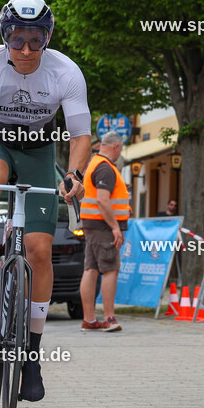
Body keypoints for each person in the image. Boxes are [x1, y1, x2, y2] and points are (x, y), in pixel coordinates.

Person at [0, 0, 91, 403]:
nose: (28, 50)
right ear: (5, 37)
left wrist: (76, 174)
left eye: (37, 40)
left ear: (47, 36)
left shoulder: (65, 71)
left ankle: (31, 356)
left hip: (39, 151)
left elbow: (80, 134)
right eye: (18, 40)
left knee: (39, 250)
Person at [79, 132, 130, 332]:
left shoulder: (93, 163)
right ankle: (109, 318)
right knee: (110, 269)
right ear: (116, 146)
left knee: (90, 269)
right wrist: (115, 227)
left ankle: (89, 319)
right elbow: (103, 199)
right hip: (103, 226)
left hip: (91, 224)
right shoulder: (106, 168)